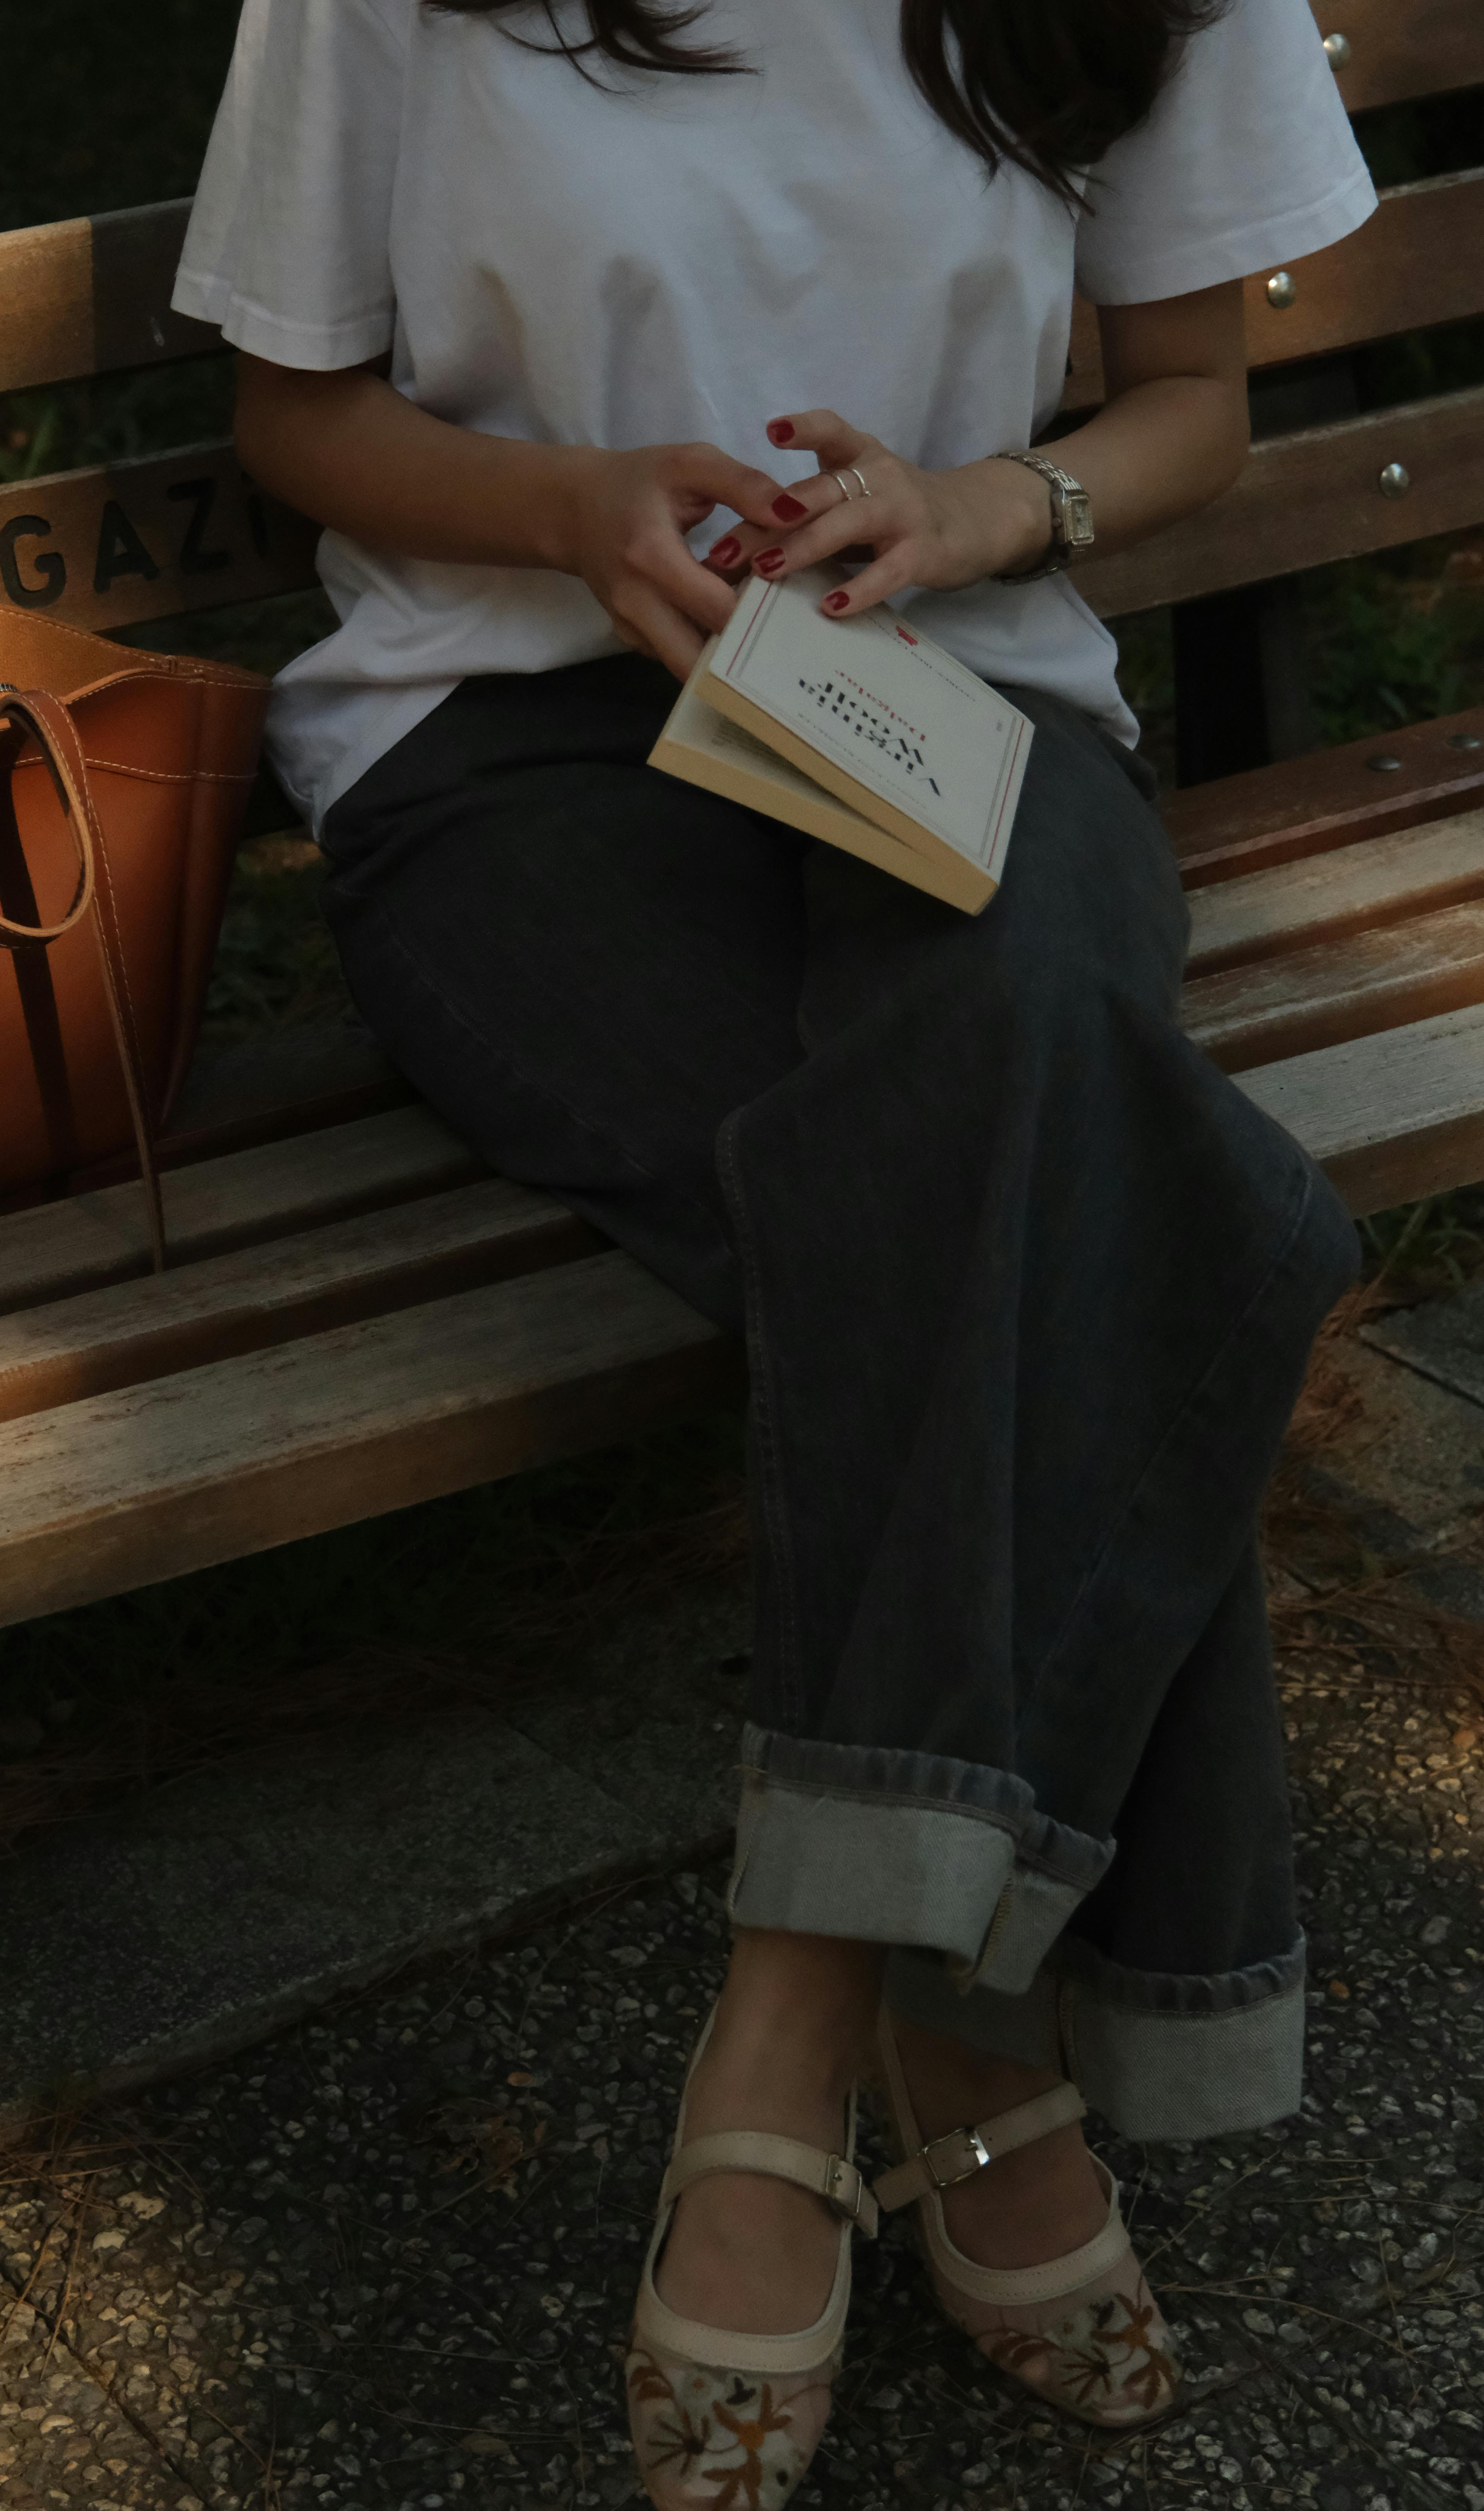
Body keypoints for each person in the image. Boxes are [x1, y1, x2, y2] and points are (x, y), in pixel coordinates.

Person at [173, 2, 1375, 2498]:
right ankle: (979, 2035)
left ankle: (803, 2011)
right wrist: (579, 503)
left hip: (966, 711)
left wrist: (973, 511)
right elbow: (295, 414)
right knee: (1097, 1178)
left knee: (1019, 1071)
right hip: (515, 752)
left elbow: (1192, 404)